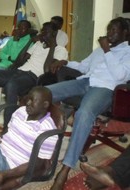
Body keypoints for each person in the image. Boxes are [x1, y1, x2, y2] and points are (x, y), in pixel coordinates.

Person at [46, 17, 130, 190]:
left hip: (106, 89)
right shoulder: (100, 50)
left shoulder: (127, 52)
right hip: (86, 82)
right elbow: (83, 66)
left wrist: (107, 50)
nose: (109, 33)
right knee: (44, 93)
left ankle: (65, 169)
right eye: (109, 29)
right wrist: (65, 62)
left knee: (84, 113)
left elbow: (120, 76)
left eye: (114, 30)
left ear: (125, 33)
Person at [0, 22, 68, 126]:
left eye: (46, 31)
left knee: (12, 84)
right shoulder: (38, 45)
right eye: (42, 31)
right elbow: (20, 60)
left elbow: (47, 70)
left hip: (33, 78)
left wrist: (52, 47)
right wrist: (30, 41)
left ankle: (8, 126)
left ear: (54, 34)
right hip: (18, 71)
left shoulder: (60, 50)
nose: (42, 34)